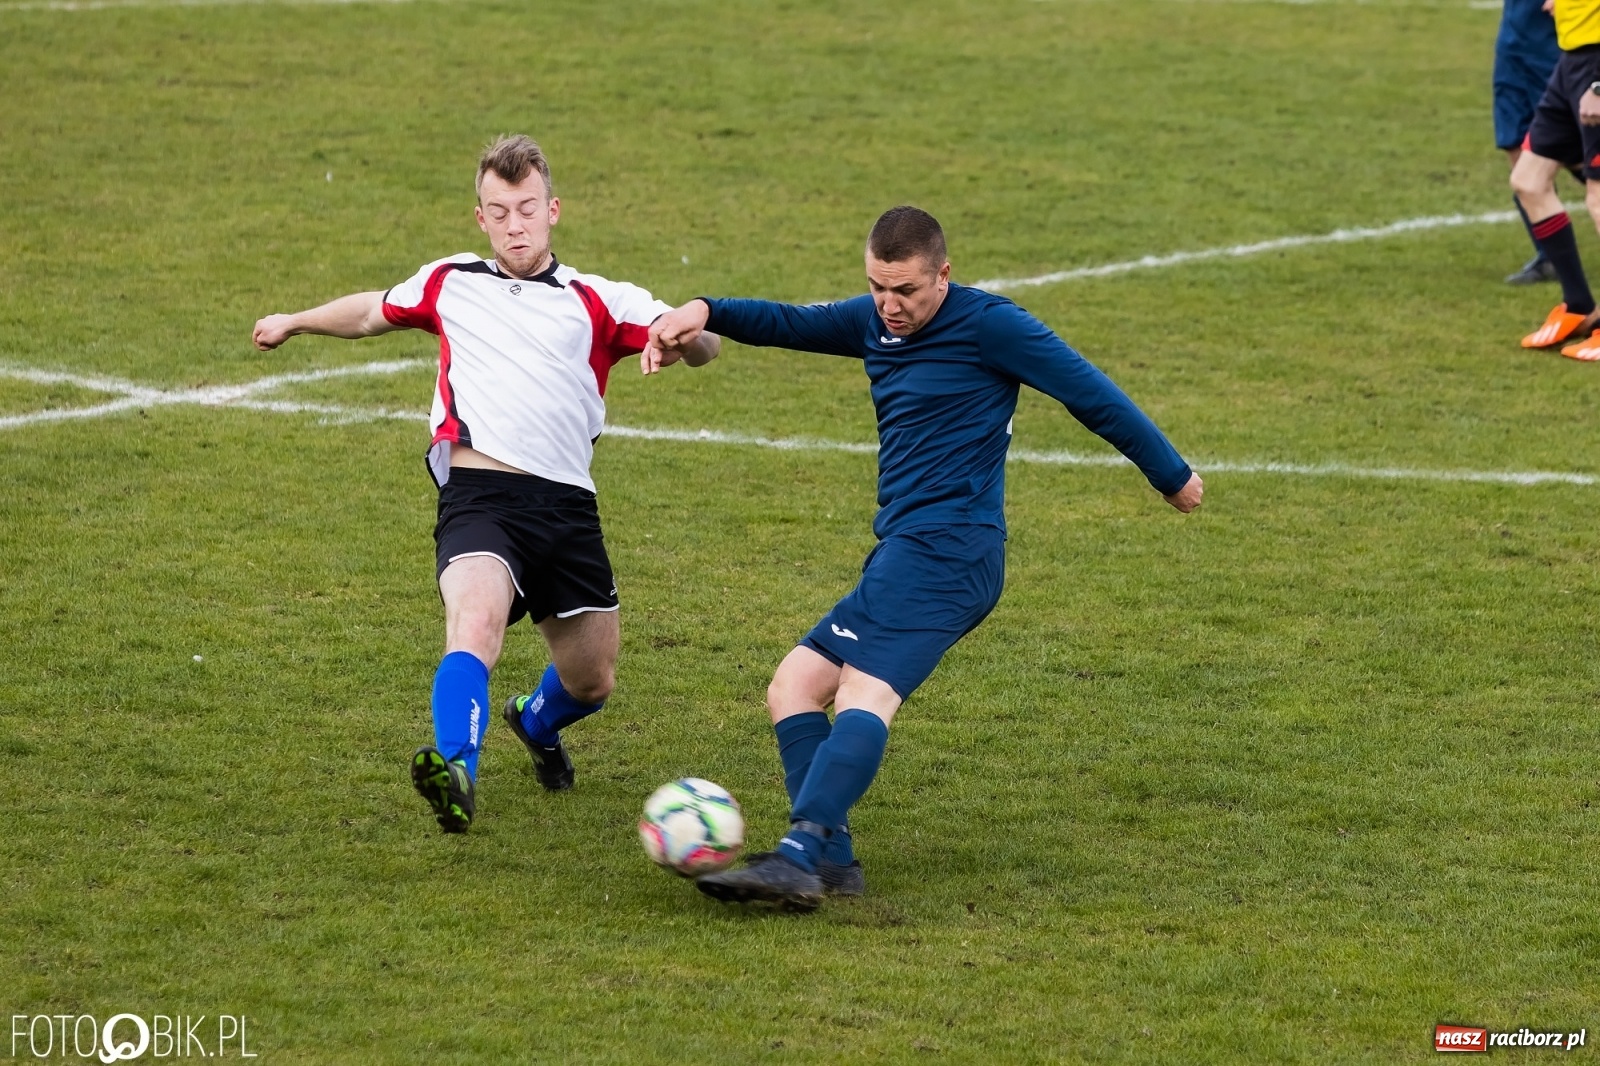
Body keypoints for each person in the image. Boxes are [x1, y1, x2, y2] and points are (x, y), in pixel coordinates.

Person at [643, 206, 1203, 910]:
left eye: (905, 289)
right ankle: (833, 864)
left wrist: (1171, 474)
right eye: (877, 286)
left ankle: (796, 854)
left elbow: (1090, 394)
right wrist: (704, 308)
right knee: (793, 685)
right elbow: (787, 322)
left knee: (863, 693)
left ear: (944, 274)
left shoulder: (991, 326)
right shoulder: (875, 322)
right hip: (905, 551)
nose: (889, 305)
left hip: (952, 552)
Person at [251, 135, 719, 833]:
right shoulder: (450, 281)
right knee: (474, 624)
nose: (515, 225)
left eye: (527, 209)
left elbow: (698, 342)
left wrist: (685, 336)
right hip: (479, 499)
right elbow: (372, 310)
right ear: (481, 219)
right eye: (498, 213)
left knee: (592, 681)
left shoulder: (596, 299)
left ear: (553, 209)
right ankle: (456, 770)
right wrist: (295, 321)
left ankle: (534, 721)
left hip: (565, 508)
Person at [1510, 0, 1600, 359]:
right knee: (1529, 180)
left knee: (1597, 199)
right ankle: (1579, 307)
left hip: (1595, 68)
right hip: (1572, 61)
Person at [1495, 0, 1576, 284]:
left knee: (1576, 149)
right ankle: (1550, 256)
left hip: (1554, 38)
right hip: (1514, 38)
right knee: (1516, 142)